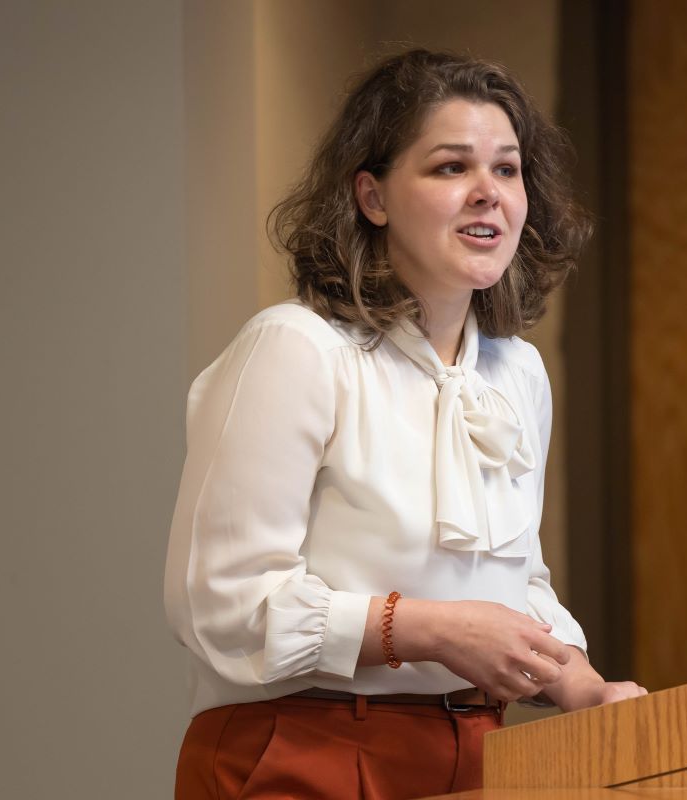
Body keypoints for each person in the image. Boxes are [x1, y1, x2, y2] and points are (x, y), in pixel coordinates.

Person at [164, 48, 646, 800]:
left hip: (481, 754)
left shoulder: (517, 373)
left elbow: (520, 582)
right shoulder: (295, 349)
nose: (489, 193)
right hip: (300, 751)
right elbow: (223, 605)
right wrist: (429, 629)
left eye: (508, 170)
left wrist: (581, 684)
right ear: (372, 196)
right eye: (451, 168)